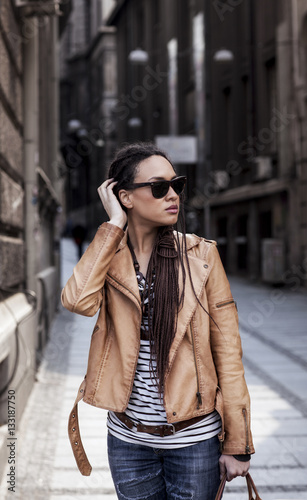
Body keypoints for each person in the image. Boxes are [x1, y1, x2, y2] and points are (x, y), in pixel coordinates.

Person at [61, 142, 254, 500]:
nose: (172, 195)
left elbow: (228, 351)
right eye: (158, 187)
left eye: (176, 185)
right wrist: (113, 225)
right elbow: (77, 301)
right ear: (126, 197)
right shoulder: (109, 256)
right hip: (129, 441)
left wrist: (238, 442)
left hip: (194, 441)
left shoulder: (201, 254)